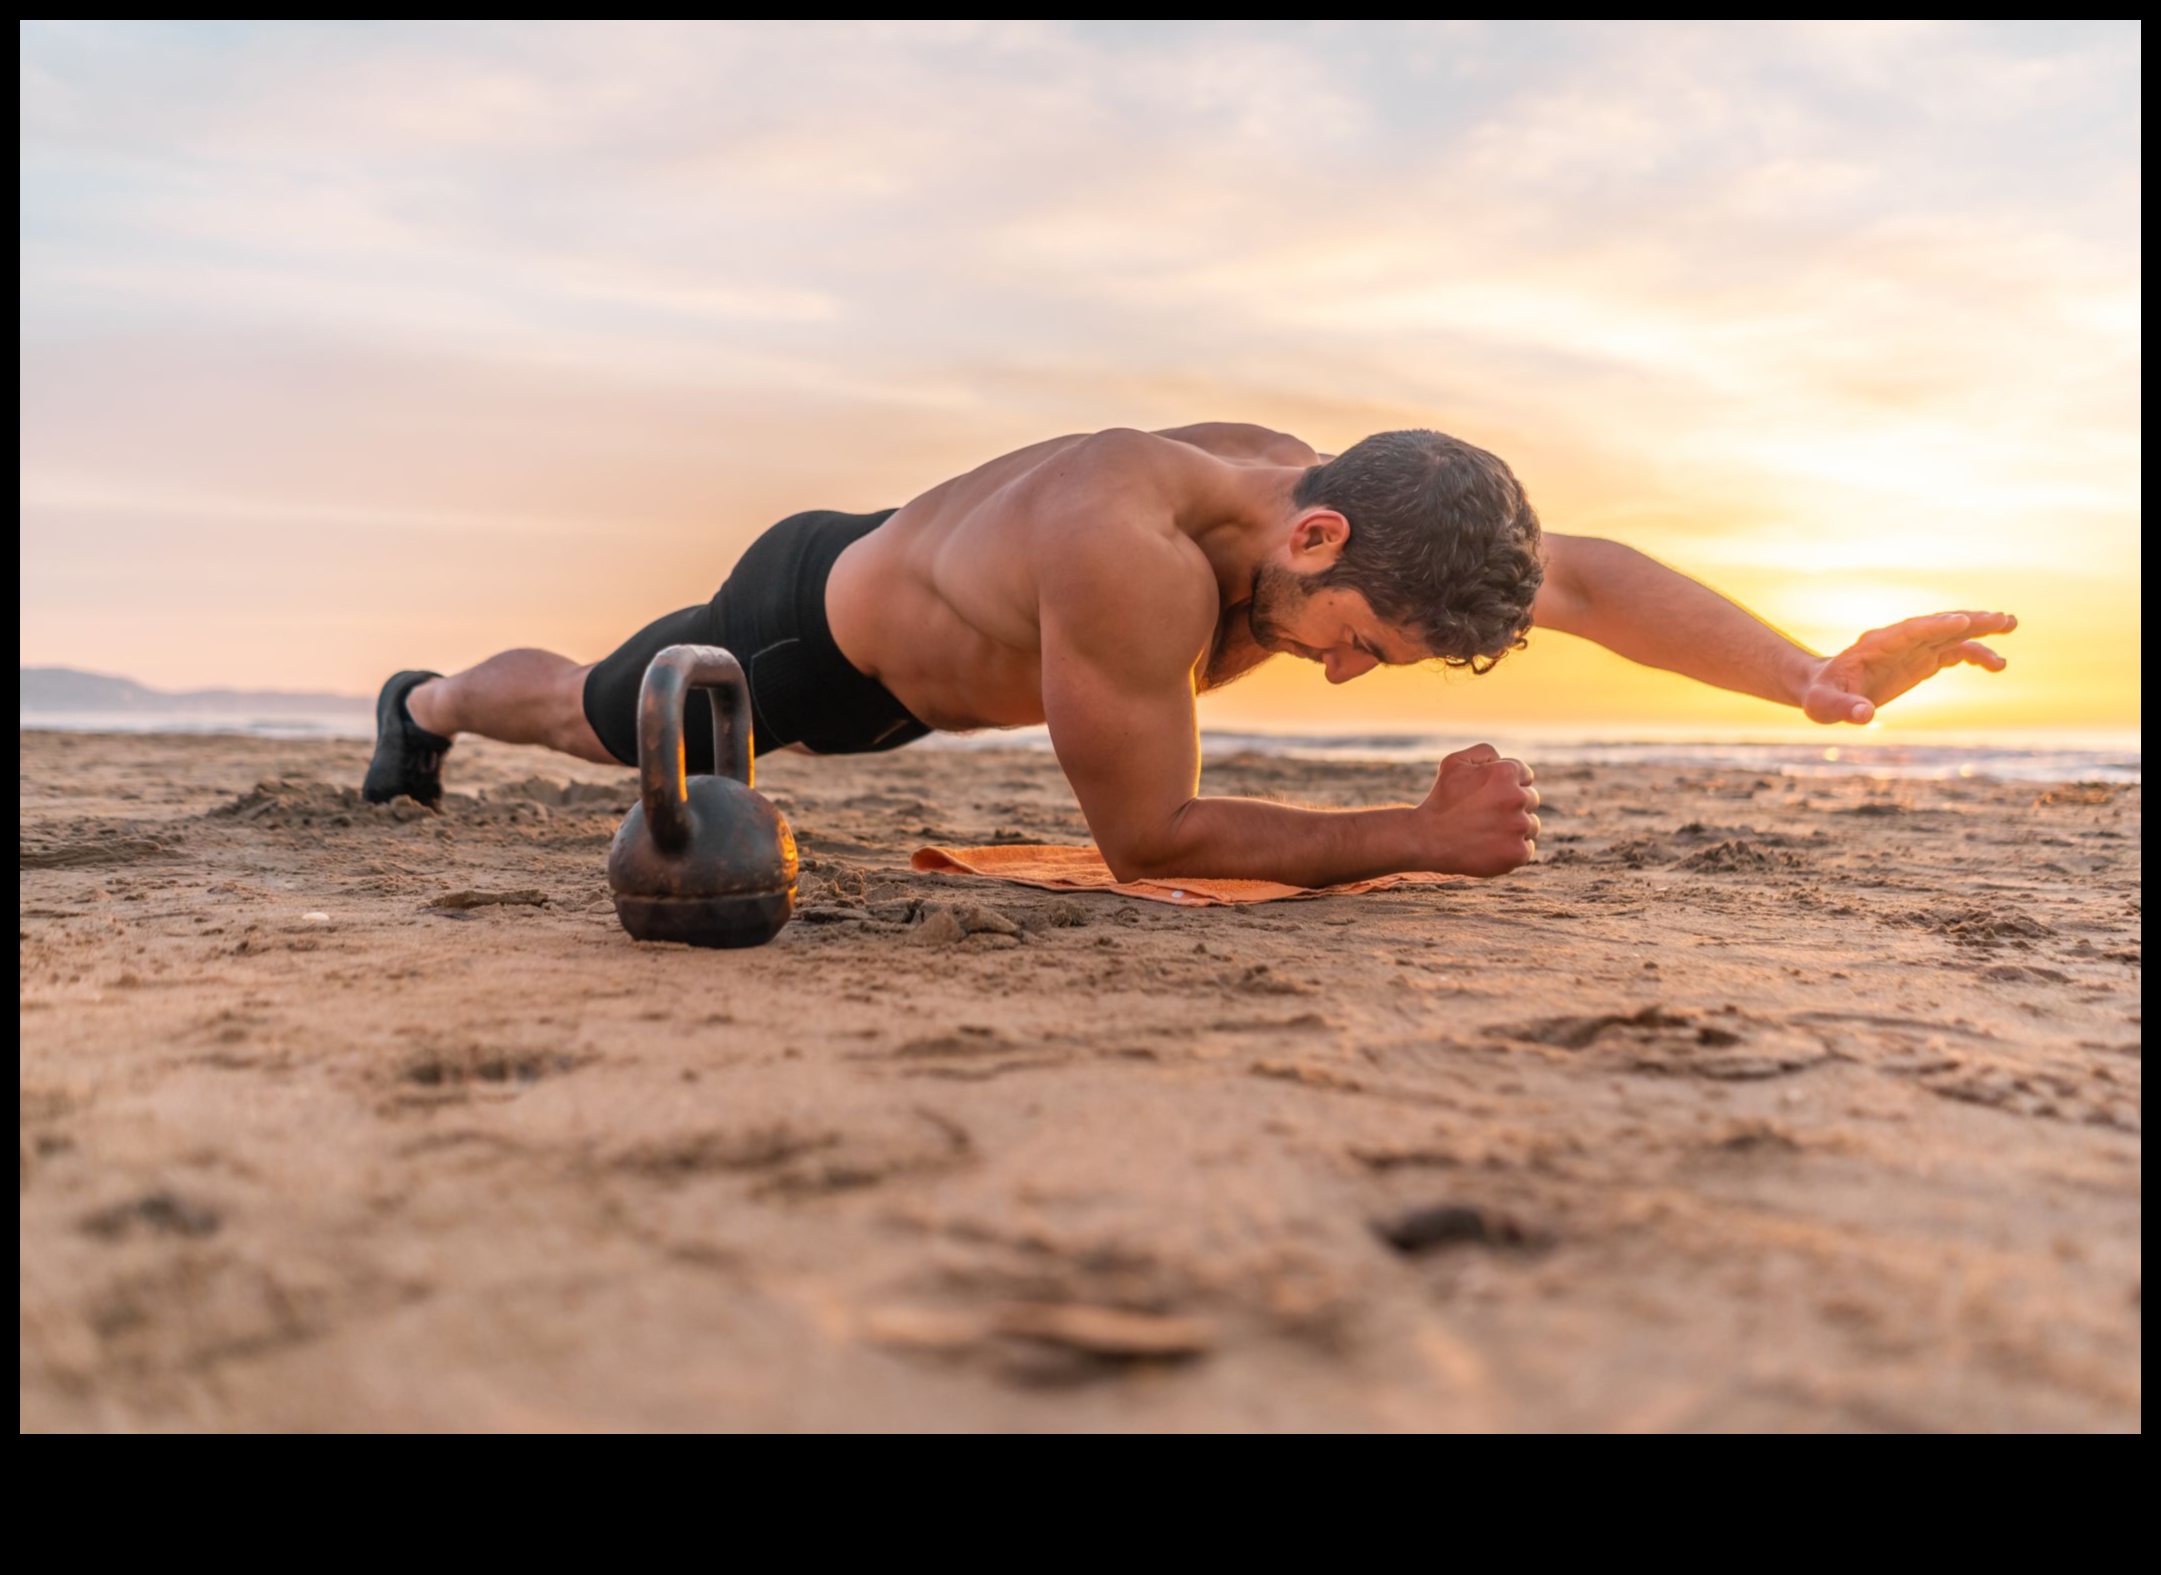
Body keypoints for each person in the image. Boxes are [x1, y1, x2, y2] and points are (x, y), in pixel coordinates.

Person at [363, 424, 2015, 883]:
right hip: (815, 639)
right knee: (584, 719)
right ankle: (420, 701)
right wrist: (1415, 842)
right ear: (1314, 542)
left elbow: (1581, 579)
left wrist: (1816, 675)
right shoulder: (1129, 557)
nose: (1346, 675)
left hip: (967, 605)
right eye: (1357, 648)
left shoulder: (1337, 518)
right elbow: (1142, 841)